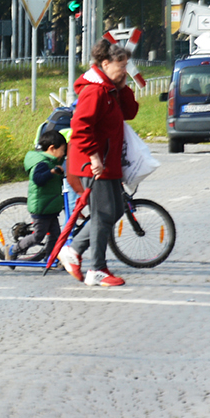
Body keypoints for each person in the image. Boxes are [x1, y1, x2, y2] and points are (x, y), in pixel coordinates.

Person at [58, 39, 138, 287]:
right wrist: (94, 156)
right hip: (93, 163)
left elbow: (130, 112)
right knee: (103, 213)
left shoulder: (109, 89)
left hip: (108, 162)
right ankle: (97, 268)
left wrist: (123, 87)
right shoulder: (95, 91)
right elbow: (80, 127)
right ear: (105, 64)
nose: (124, 70)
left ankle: (73, 250)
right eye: (121, 66)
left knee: (115, 210)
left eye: (126, 66)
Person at [9, 130, 68, 261]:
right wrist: (52, 172)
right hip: (41, 207)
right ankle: (14, 249)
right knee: (38, 236)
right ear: (52, 148)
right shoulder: (42, 163)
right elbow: (38, 179)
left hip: (51, 206)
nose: (64, 154)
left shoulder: (52, 162)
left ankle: (50, 258)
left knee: (55, 235)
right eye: (62, 150)